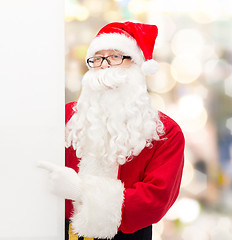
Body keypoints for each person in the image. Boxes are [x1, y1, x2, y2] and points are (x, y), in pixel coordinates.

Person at [38, 21, 185, 240]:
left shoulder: (165, 133)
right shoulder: (64, 119)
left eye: (116, 56)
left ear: (136, 66)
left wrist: (81, 190)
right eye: (97, 58)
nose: (105, 65)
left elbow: (155, 201)